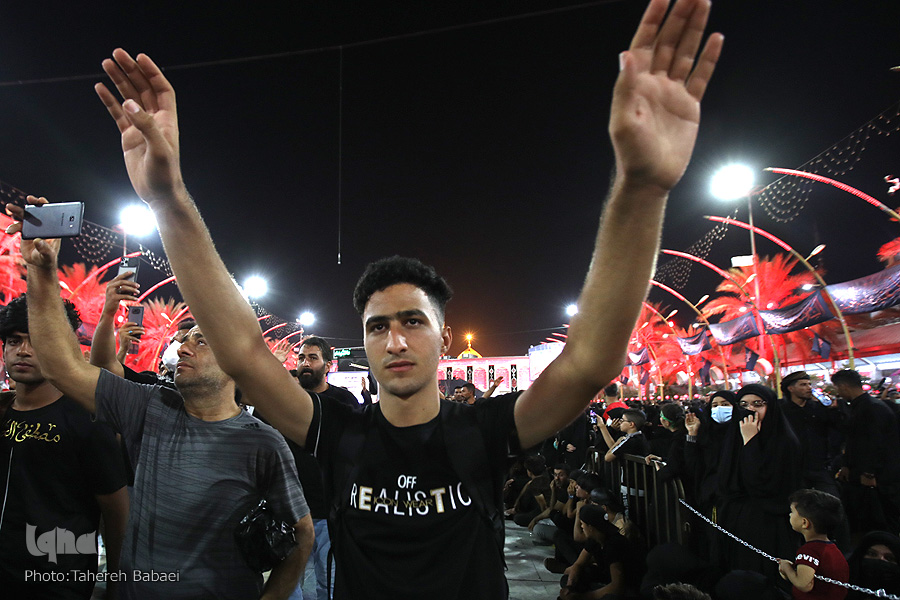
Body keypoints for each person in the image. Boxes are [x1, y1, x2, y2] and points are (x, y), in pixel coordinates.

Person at [86, 1, 723, 596]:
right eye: (376, 326)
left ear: (444, 337)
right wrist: (167, 199)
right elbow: (244, 352)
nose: (394, 340)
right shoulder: (337, 432)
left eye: (413, 321)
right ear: (362, 344)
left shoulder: (484, 432)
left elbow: (589, 363)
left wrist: (641, 188)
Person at [9, 226, 314, 600]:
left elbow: (302, 533)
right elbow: (62, 366)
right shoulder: (150, 407)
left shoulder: (263, 443)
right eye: (183, 340)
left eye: (200, 341)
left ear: (234, 359)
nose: (182, 348)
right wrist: (41, 270)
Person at [0, 295, 129, 600]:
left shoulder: (88, 421)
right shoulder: (3, 412)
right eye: (14, 341)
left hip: (56, 582)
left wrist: (116, 587)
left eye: (36, 341)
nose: (23, 351)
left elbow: (117, 516)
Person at [716, 384, 802, 583]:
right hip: (736, 517)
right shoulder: (734, 435)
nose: (750, 409)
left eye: (758, 404)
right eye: (744, 404)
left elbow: (762, 483)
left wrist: (751, 443)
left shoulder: (784, 441)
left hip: (769, 521)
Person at [832, 369, 900, 534]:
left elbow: (874, 443)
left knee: (884, 519)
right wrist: (847, 465)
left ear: (844, 386)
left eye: (837, 388)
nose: (838, 393)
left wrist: (869, 473)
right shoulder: (863, 406)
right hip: (867, 473)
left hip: (880, 476)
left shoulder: (870, 408)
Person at [780, 371, 845, 496]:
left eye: (809, 384)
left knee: (831, 500)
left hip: (819, 466)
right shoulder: (781, 410)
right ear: (790, 388)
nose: (809, 388)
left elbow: (837, 430)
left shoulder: (819, 408)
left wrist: (834, 410)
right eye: (803, 385)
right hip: (793, 467)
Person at [777, 489, 849, 600]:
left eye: (792, 512)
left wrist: (786, 567)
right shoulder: (832, 549)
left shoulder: (809, 550)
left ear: (804, 522)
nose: (790, 515)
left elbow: (804, 584)